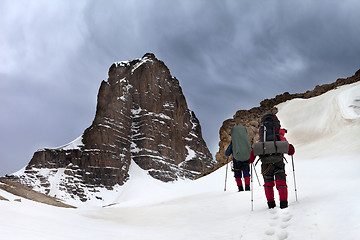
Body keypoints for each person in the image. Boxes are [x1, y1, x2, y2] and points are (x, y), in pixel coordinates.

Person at [250, 114, 295, 209]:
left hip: (266, 164)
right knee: (281, 182)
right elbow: (291, 151)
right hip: (278, 161)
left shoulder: (262, 139)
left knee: (268, 184)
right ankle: (283, 204)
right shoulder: (279, 137)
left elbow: (251, 157)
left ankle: (271, 205)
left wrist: (251, 160)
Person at [225, 125, 251, 192]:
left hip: (236, 160)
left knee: (237, 174)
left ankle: (240, 188)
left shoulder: (234, 142)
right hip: (246, 159)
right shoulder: (246, 141)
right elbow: (251, 150)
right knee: (246, 172)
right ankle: (247, 187)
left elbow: (227, 154)